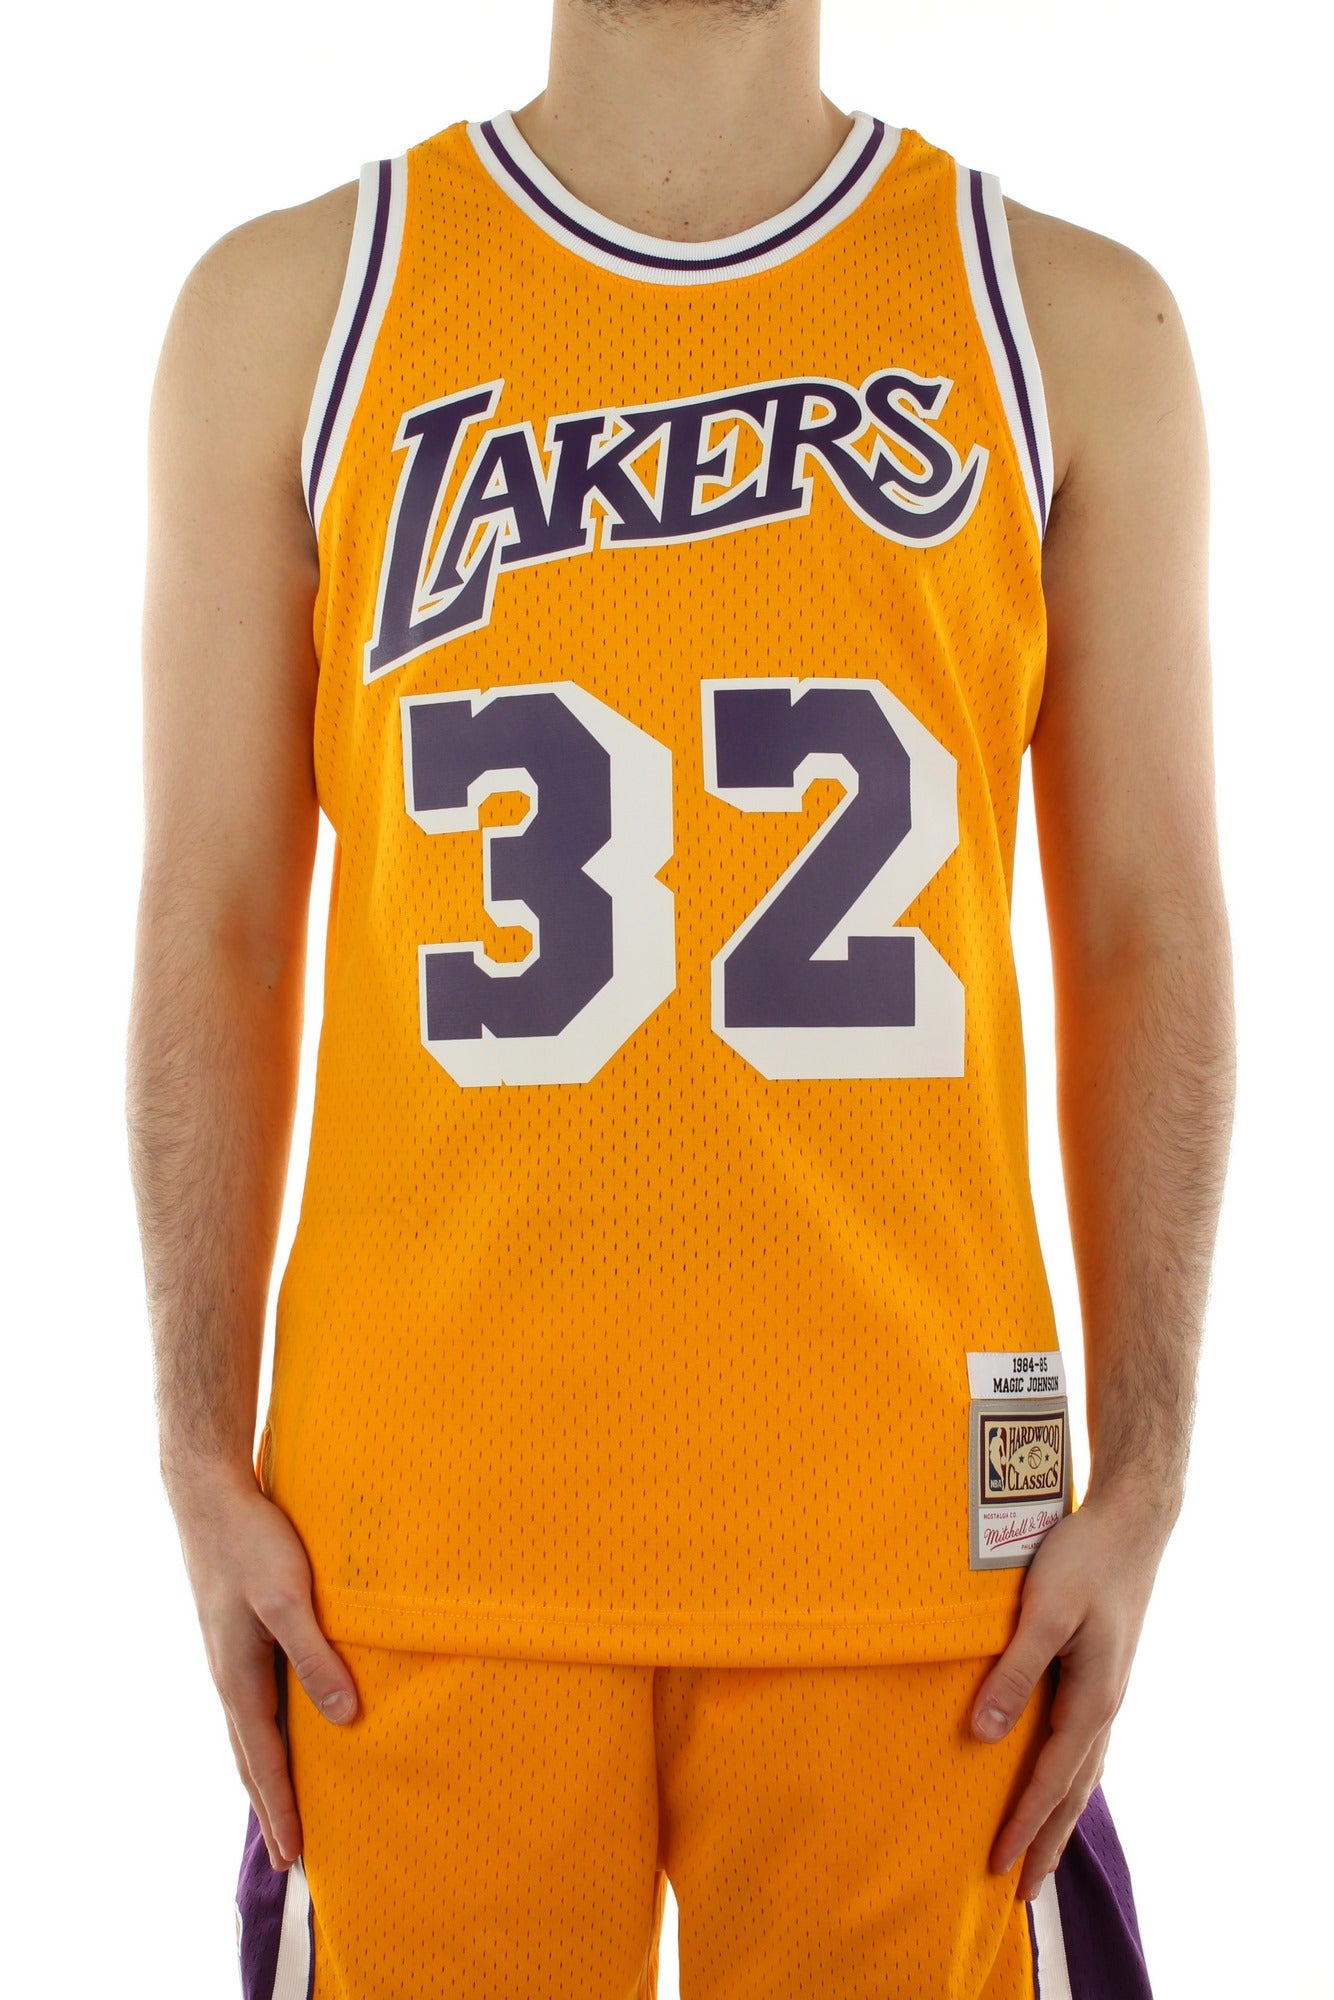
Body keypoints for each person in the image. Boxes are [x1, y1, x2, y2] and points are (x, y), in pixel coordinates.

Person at [125, 2, 1236, 1994]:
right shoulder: (292, 310)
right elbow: (216, 912)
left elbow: (1143, 924)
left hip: (922, 1552)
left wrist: (1146, 1463)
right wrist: (197, 1445)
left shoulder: (1070, 323)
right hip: (412, 1543)